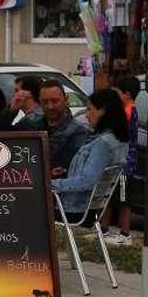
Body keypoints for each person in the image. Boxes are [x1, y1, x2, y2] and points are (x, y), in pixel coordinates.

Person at [52, 89, 129, 221]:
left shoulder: (103, 143)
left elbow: (87, 181)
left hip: (74, 209)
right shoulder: (118, 140)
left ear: (102, 111)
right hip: (94, 209)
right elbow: (95, 171)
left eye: (89, 109)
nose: (86, 115)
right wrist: (69, 171)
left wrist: (52, 184)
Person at [101, 75, 141, 246]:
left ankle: (125, 234)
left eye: (117, 93)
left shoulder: (129, 111)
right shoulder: (126, 109)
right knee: (109, 196)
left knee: (124, 200)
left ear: (127, 94)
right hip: (116, 162)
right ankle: (103, 229)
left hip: (125, 165)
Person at [38, 79, 90, 179]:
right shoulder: (34, 127)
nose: (50, 106)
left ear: (66, 100)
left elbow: (70, 169)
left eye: (55, 101)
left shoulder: (79, 132)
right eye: (45, 102)